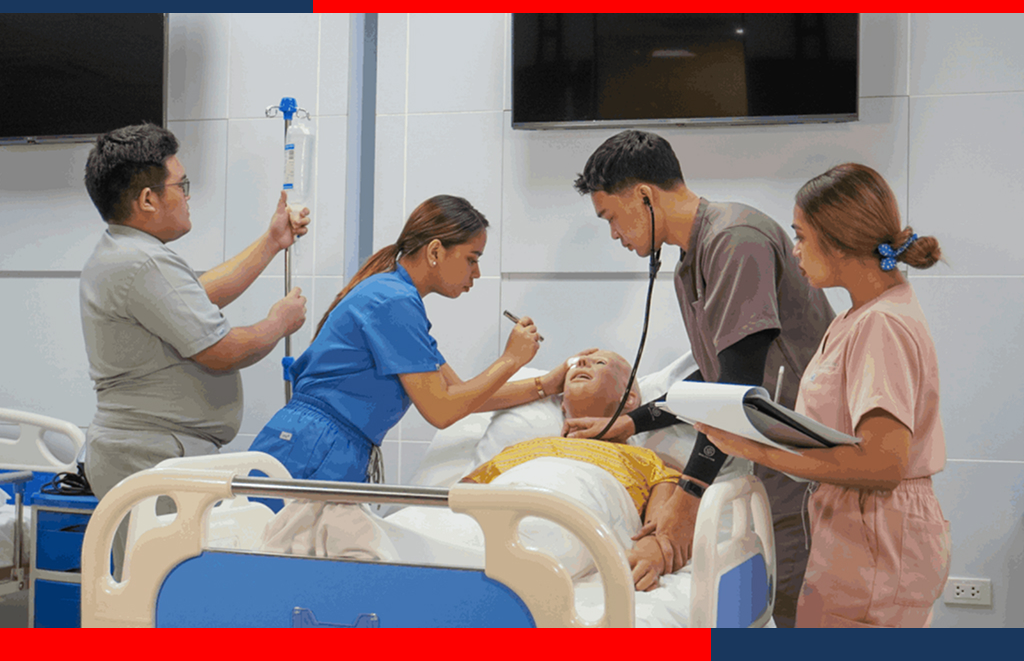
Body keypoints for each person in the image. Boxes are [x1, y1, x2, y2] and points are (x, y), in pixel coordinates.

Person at [564, 130, 835, 627]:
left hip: (809, 468)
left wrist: (687, 500)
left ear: (644, 196)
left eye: (610, 217)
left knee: (805, 616)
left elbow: (734, 389)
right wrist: (633, 422)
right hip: (778, 465)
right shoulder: (692, 262)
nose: (614, 234)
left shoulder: (735, 239)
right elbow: (711, 378)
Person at [698, 163, 951, 627]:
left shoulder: (881, 324)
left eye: (800, 236)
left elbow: (882, 464)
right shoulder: (857, 317)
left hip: (876, 537)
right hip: (858, 532)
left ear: (837, 241)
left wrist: (755, 450)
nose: (794, 250)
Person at [80, 123, 309, 577]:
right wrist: (278, 323)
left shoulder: (127, 252)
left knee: (156, 588)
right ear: (148, 199)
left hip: (149, 451)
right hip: (150, 453)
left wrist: (271, 242)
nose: (187, 197)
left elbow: (197, 297)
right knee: (161, 592)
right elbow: (221, 350)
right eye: (181, 186)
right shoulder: (143, 261)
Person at [250, 195, 589, 483]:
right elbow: (442, 410)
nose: (477, 273)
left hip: (325, 446)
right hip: (311, 448)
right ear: (436, 251)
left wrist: (546, 384)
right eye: (471, 259)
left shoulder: (397, 299)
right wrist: (510, 360)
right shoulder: (393, 301)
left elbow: (463, 395)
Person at [461, 349, 687, 591]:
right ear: (562, 404)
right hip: (498, 518)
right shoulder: (517, 451)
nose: (582, 361)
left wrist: (652, 550)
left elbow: (664, 522)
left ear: (629, 399)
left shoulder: (646, 460)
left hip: (577, 523)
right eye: (577, 364)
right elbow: (457, 500)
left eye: (599, 362)